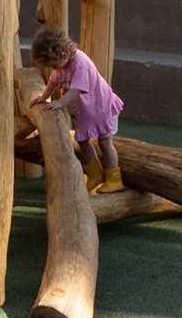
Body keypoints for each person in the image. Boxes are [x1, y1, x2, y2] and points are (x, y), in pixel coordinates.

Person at [30, 20, 123, 191]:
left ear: (62, 52)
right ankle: (95, 174)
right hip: (86, 111)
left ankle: (114, 178)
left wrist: (60, 103)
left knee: (105, 142)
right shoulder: (61, 65)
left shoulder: (79, 62)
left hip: (100, 107)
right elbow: (53, 80)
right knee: (83, 141)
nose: (52, 68)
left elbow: (76, 90)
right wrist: (44, 97)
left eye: (52, 64)